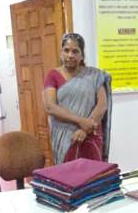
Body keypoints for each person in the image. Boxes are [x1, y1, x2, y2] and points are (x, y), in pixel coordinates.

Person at [42, 32, 112, 164]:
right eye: (66, 50)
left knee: (93, 173)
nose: (70, 55)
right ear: (61, 53)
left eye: (75, 51)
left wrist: (85, 129)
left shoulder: (94, 75)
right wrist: (81, 121)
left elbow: (102, 105)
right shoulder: (53, 75)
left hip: (90, 134)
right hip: (65, 137)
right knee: (67, 173)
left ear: (82, 55)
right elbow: (50, 107)